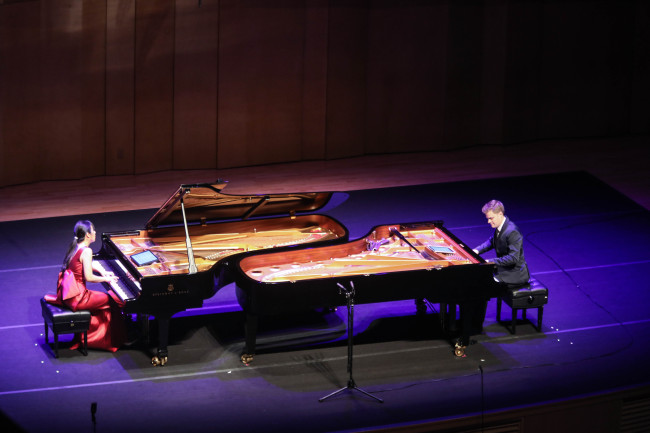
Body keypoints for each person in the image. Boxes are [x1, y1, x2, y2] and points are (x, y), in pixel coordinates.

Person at [455, 200, 530, 357]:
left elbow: (514, 258)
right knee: (478, 287)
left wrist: (491, 262)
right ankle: (475, 325)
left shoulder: (512, 231)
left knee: (479, 289)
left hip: (513, 274)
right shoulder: (500, 227)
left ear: (500, 214)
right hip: (502, 270)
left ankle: (470, 330)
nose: (489, 222)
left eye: (491, 218)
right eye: (488, 219)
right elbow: (491, 242)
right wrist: (475, 251)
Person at [50, 220, 128, 352]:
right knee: (113, 300)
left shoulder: (75, 246)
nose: (95, 232)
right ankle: (114, 340)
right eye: (93, 230)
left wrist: (102, 271)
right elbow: (89, 277)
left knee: (104, 302)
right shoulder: (87, 251)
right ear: (88, 235)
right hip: (80, 298)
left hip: (70, 295)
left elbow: (79, 265)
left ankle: (87, 338)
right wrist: (107, 279)